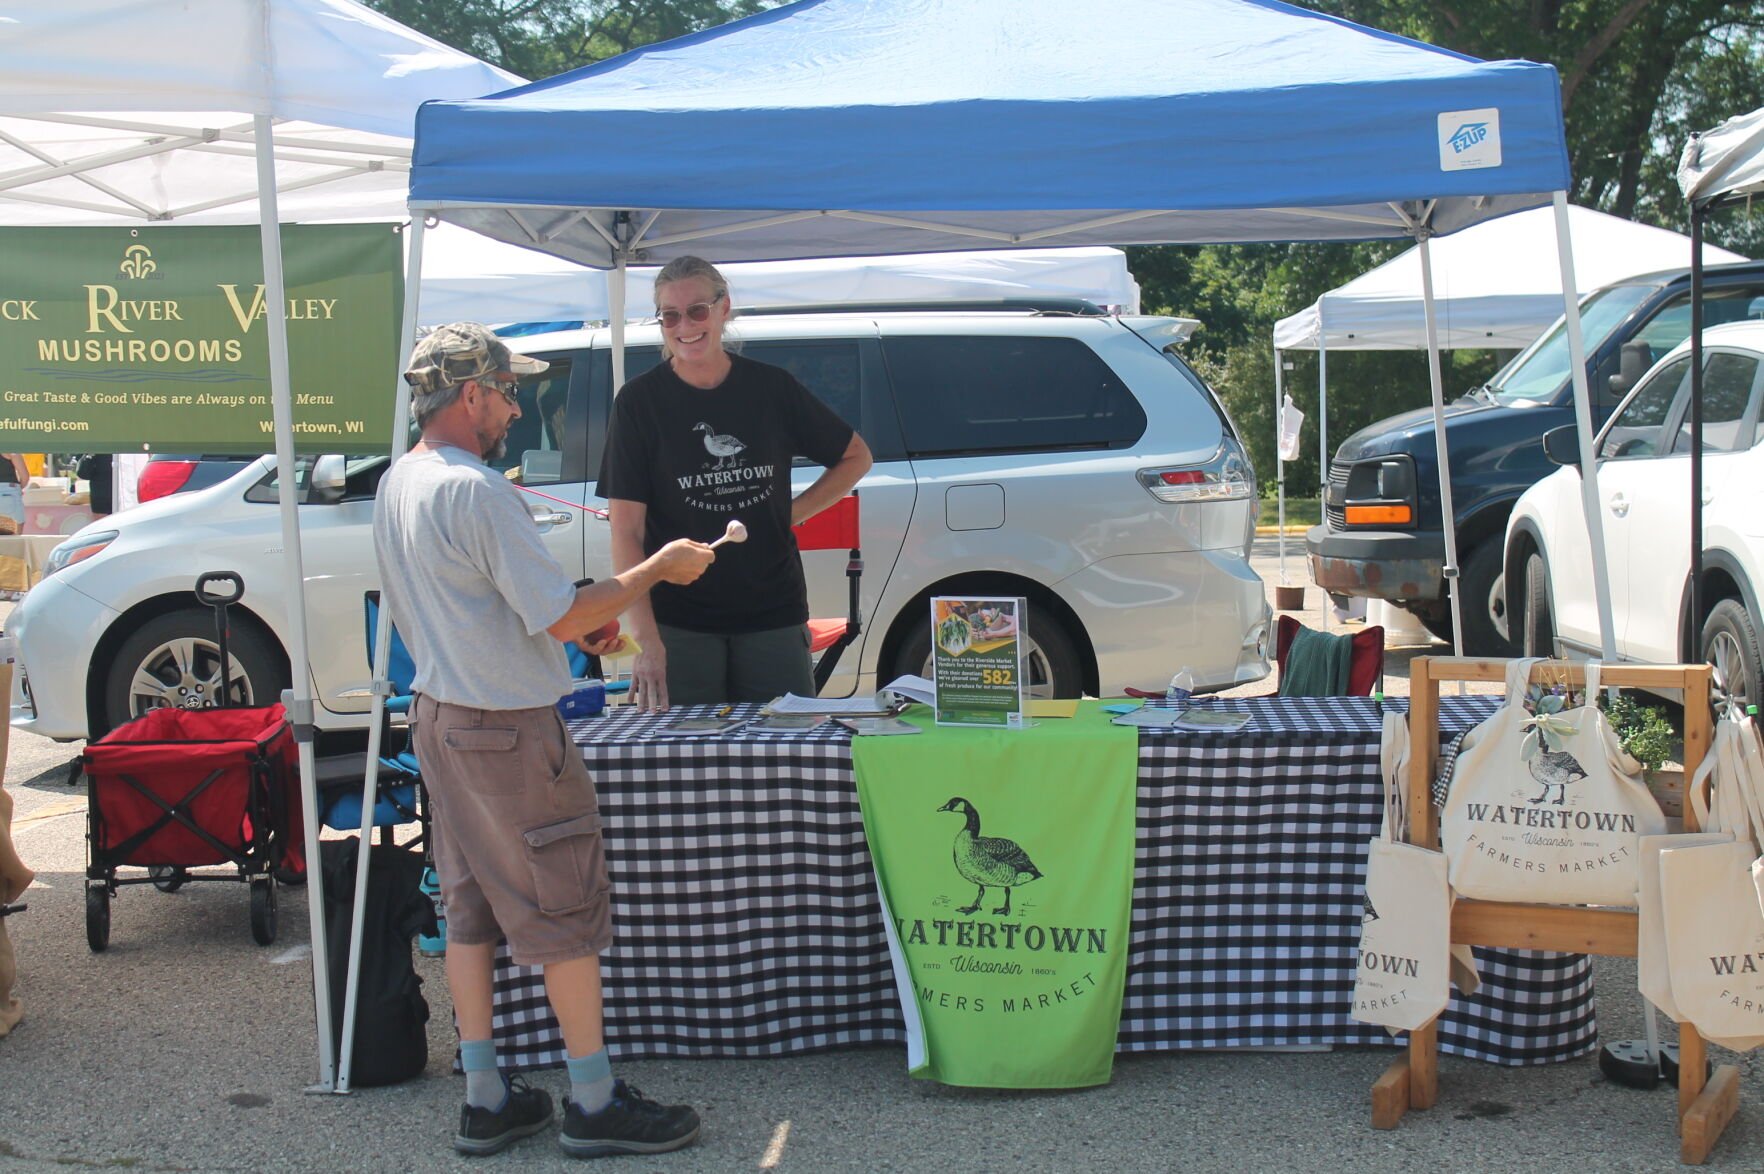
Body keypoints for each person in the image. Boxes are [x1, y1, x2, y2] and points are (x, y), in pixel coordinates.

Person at [373, 322, 714, 1159]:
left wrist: (577, 622)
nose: (517, 409)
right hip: (507, 730)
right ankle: (593, 1102)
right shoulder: (479, 490)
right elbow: (560, 613)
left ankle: (486, 1096)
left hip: (442, 718)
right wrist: (655, 569)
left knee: (469, 908)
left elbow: (498, 610)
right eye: (508, 392)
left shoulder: (399, 480)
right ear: (471, 394)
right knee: (562, 909)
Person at [599, 256, 873, 709]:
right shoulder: (639, 403)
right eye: (670, 315)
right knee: (685, 764)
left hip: (772, 612)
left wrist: (791, 513)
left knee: (783, 754)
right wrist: (647, 641)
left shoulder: (771, 389)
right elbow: (627, 531)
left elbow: (855, 456)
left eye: (697, 311)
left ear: (724, 308)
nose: (684, 325)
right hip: (679, 621)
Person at [0, 454, 26, 532]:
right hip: (9, 492)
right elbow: (25, 477)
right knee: (14, 540)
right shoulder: (10, 450)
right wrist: (19, 488)